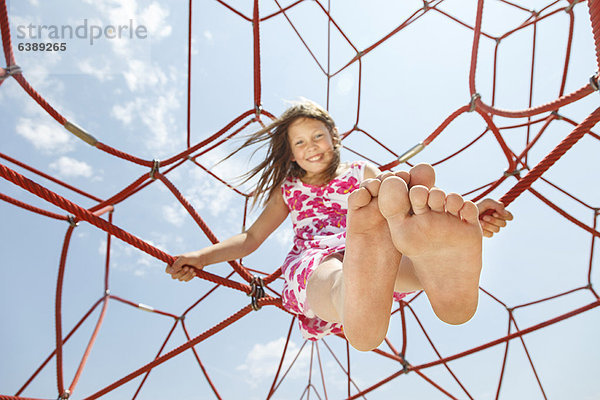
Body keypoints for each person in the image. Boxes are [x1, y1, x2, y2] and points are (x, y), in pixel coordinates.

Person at [165, 100, 513, 351]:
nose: (310, 147)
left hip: (376, 245)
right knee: (328, 275)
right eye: (299, 143)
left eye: (317, 136)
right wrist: (202, 256)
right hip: (318, 253)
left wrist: (472, 211)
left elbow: (412, 206)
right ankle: (359, 290)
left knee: (394, 235)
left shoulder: (362, 173)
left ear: (333, 136)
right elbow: (251, 237)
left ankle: (439, 271)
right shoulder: (288, 189)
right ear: (290, 154)